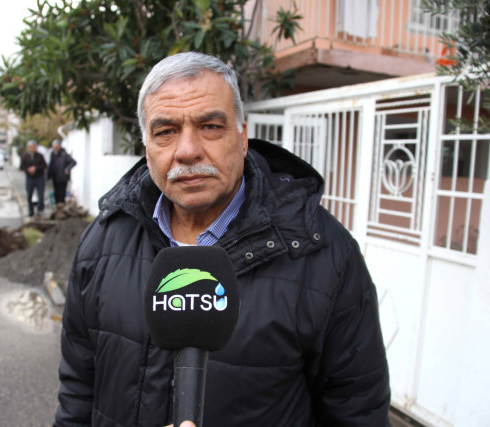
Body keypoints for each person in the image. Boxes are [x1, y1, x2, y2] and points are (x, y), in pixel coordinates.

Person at [54, 52, 391, 426]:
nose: (187, 151)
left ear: (243, 137)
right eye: (165, 132)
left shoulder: (325, 255)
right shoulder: (102, 242)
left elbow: (358, 411)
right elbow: (77, 394)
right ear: (146, 147)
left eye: (210, 126)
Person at [20, 140, 47, 218]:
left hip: (39, 177)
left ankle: (40, 210)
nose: (32, 148)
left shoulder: (40, 156)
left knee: (41, 195)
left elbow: (44, 165)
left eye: (34, 147)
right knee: (29, 195)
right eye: (31, 147)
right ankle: (31, 211)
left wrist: (35, 168)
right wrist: (28, 169)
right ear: (28, 148)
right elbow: (21, 167)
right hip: (30, 178)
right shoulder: (25, 156)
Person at [47, 139, 77, 205]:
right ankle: (57, 206)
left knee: (62, 193)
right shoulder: (53, 154)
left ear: (59, 146)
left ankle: (61, 206)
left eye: (56, 147)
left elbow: (73, 162)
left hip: (62, 177)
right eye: (54, 147)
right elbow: (51, 165)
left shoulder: (64, 154)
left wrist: (67, 169)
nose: (55, 148)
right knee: (56, 192)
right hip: (55, 176)